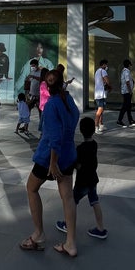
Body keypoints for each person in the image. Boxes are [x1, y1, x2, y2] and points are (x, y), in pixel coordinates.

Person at [20, 70, 80, 257]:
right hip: (69, 154)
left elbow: (54, 137)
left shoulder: (52, 105)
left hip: (49, 158)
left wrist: (53, 163)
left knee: (31, 188)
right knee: (67, 197)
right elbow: (73, 121)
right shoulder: (69, 100)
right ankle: (71, 243)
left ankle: (38, 234)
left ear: (47, 86)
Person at [56, 117, 108, 239]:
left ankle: (67, 224)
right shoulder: (94, 144)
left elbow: (78, 165)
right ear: (93, 131)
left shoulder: (80, 148)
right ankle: (101, 228)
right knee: (95, 202)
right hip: (93, 179)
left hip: (82, 182)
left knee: (72, 202)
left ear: (80, 130)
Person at [117, 59, 135, 127]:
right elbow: (127, 82)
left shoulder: (124, 71)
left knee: (128, 106)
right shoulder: (126, 72)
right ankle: (119, 120)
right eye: (130, 65)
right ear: (129, 65)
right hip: (127, 92)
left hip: (125, 91)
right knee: (125, 106)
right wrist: (130, 91)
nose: (130, 66)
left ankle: (130, 120)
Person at [94, 59, 111, 132]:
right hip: (101, 94)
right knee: (99, 111)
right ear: (103, 64)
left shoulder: (97, 71)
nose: (107, 66)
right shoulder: (103, 71)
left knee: (101, 110)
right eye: (106, 64)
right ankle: (96, 127)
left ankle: (101, 125)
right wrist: (110, 86)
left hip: (97, 94)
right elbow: (107, 81)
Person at [38, 67, 49, 132]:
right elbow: (48, 93)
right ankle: (42, 131)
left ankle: (42, 130)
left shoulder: (44, 83)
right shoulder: (44, 83)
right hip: (44, 104)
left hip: (44, 104)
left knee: (43, 118)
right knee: (44, 119)